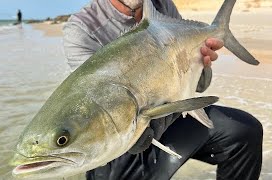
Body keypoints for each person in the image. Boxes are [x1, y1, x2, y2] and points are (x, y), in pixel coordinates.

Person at [63, 0, 263, 179]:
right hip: (123, 136)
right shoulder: (82, 28)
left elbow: (200, 87)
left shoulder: (162, 5)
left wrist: (202, 62)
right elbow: (91, 105)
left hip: (171, 115)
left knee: (245, 131)